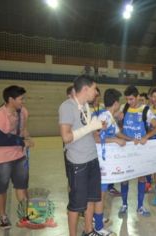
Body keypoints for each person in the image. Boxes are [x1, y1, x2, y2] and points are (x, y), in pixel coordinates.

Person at [59, 75, 104, 236]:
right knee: (76, 204)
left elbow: (88, 130)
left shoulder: (85, 105)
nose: (95, 93)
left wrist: (96, 130)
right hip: (78, 162)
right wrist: (89, 128)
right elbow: (66, 137)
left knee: (92, 198)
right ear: (85, 89)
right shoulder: (67, 107)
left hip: (92, 158)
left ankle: (88, 230)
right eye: (94, 89)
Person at [117, 85, 156, 217]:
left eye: (131, 99)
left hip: (140, 149)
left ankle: (140, 206)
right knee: (124, 178)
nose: (129, 102)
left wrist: (146, 137)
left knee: (141, 177)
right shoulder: (124, 108)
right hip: (126, 147)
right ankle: (124, 204)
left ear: (137, 97)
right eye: (127, 99)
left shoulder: (145, 110)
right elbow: (119, 126)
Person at [0, 85, 34, 230]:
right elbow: (0, 139)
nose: (23, 101)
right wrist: (21, 141)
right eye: (20, 99)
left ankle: (27, 214)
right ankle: (3, 216)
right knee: (1, 189)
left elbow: (23, 129)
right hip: (2, 158)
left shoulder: (23, 112)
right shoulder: (0, 115)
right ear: (10, 99)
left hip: (19, 155)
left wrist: (28, 139)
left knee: (22, 186)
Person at [93, 88, 126, 235]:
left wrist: (134, 141)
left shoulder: (111, 117)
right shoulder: (103, 117)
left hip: (108, 162)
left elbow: (120, 134)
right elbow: (95, 138)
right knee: (101, 194)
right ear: (116, 103)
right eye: (119, 101)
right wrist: (115, 140)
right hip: (101, 162)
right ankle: (98, 226)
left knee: (103, 194)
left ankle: (97, 219)